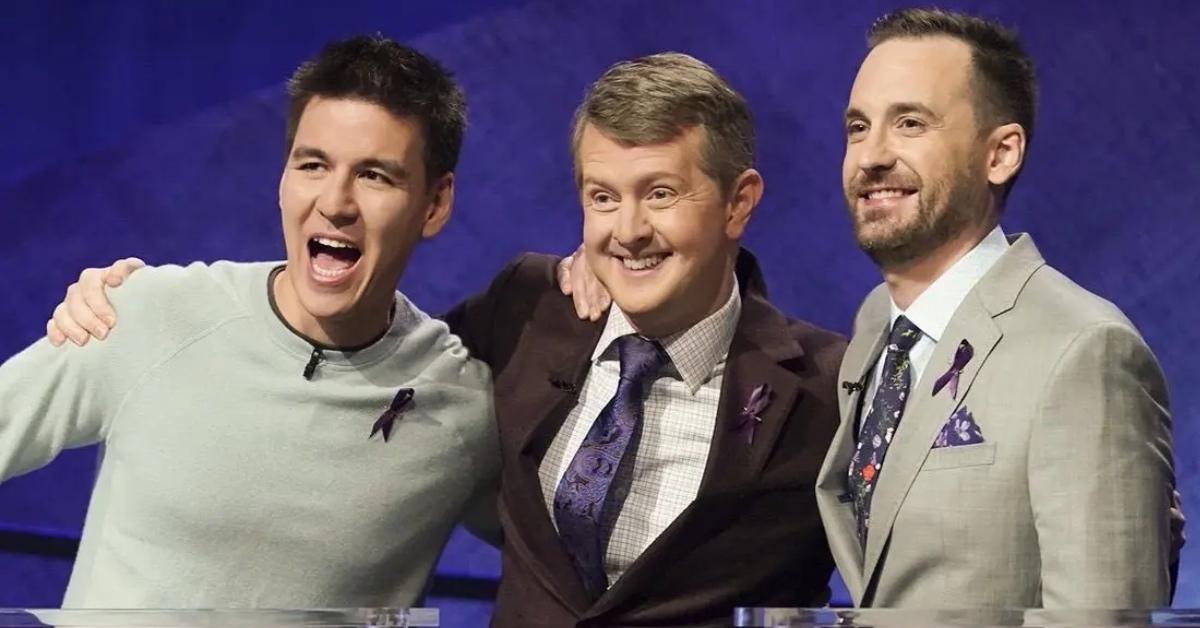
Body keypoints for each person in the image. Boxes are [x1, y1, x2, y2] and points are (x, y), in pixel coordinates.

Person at [45, 53, 846, 626]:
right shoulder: (532, 309)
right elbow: (354, 367)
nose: (627, 229)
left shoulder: (829, 387)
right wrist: (128, 302)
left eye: (661, 194)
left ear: (739, 203)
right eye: (603, 197)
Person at [0, 35, 497, 607]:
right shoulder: (147, 313)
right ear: (283, 180)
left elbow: (581, 569)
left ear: (435, 204)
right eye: (313, 165)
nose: (335, 201)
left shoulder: (463, 410)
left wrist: (598, 275)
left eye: (374, 176)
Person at [814, 8, 1175, 607]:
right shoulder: (876, 324)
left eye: (909, 123)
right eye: (858, 127)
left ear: (1001, 153)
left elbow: (1102, 621)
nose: (871, 156)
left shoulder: (1085, 351)